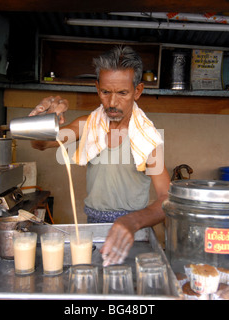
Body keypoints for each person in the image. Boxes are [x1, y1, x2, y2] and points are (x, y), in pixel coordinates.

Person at [28, 46, 170, 266]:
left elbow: (166, 199)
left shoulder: (148, 139)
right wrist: (45, 118)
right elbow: (40, 143)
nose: (112, 103)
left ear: (138, 91)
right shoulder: (88, 125)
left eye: (122, 93)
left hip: (133, 232)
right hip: (93, 228)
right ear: (97, 88)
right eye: (105, 92)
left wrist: (131, 222)